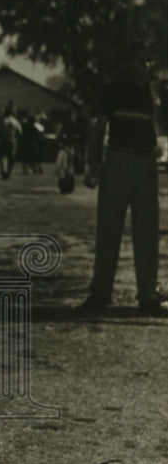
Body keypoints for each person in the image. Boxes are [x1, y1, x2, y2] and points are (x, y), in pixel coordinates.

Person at [78, 40, 166, 316]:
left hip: (146, 164)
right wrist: (92, 163)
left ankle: (148, 296)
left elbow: (159, 131)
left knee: (147, 232)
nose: (146, 65)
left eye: (150, 60)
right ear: (129, 62)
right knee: (109, 229)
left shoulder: (155, 94)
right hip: (116, 160)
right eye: (140, 60)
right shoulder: (114, 89)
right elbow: (99, 126)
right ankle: (100, 294)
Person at [0, 102, 22, 180]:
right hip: (12, 141)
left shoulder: (1, 121)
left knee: (2, 157)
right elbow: (20, 132)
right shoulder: (15, 121)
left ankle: (4, 171)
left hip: (3, 141)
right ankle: (8, 172)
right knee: (11, 158)